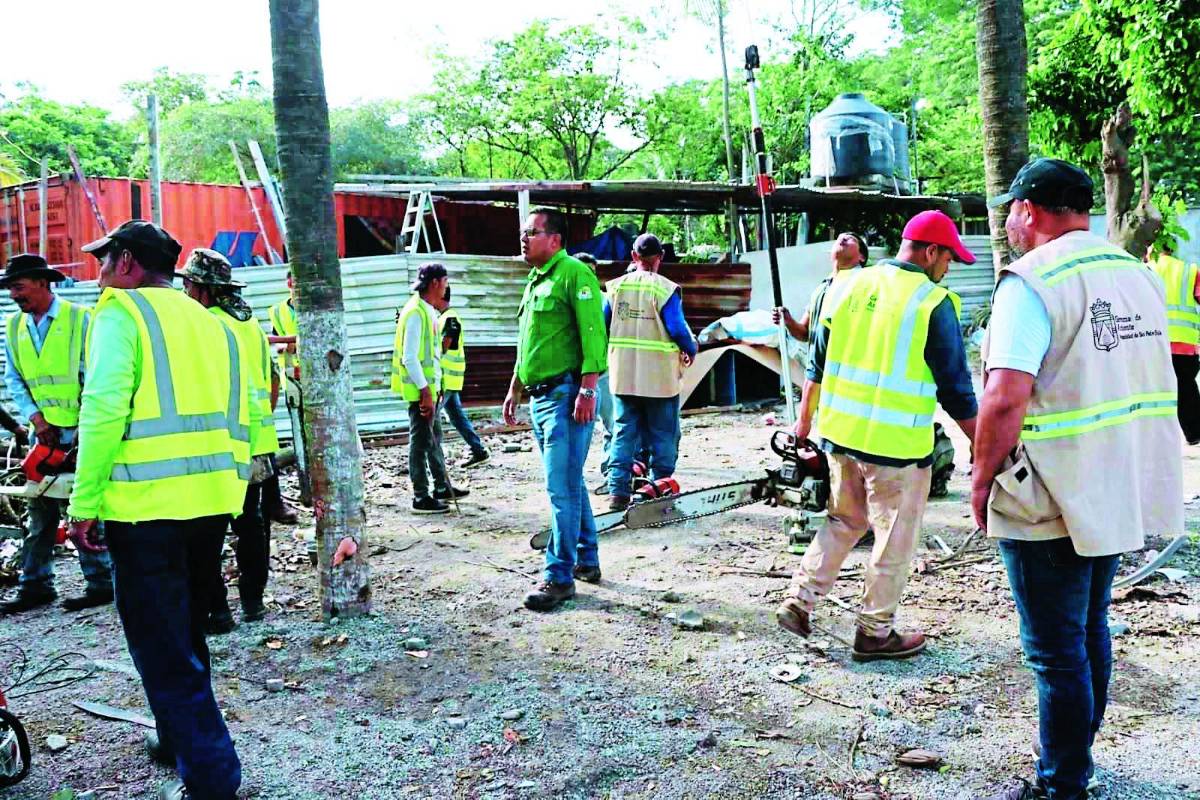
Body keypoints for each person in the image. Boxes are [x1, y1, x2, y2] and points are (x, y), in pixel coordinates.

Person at [974, 159, 1183, 800]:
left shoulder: (1032, 282)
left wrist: (981, 483)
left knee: (1055, 652)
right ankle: (1077, 756)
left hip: (1049, 495)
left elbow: (1005, 397)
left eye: (1011, 210)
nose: (1007, 222)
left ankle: (1062, 783)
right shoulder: (1136, 275)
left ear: (1029, 211)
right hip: (1117, 484)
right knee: (1089, 625)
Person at [66, 219, 249, 800]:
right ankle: (176, 739)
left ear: (126, 263)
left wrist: (84, 502)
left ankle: (212, 780)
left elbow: (102, 412)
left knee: (163, 647)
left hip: (145, 508)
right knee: (184, 632)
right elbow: (235, 413)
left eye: (102, 261)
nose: (97, 275)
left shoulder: (120, 313)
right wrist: (235, 491)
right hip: (210, 501)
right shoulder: (210, 322)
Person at [775, 210, 978, 661]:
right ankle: (874, 630)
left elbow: (817, 364)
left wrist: (805, 421)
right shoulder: (932, 302)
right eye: (949, 259)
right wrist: (983, 447)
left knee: (843, 520)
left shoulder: (848, 287)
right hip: (898, 448)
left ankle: (801, 599)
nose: (948, 270)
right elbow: (957, 391)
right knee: (894, 536)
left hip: (841, 437)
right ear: (930, 252)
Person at [503, 208, 607, 611]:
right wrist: (515, 387)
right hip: (541, 397)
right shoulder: (535, 281)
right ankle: (587, 559)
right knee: (569, 483)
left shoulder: (574, 275)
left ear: (555, 240)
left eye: (531, 232)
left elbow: (593, 334)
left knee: (560, 489)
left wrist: (588, 390)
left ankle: (559, 577)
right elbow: (528, 343)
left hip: (566, 397)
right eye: (524, 232)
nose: (524, 239)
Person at [0, 253, 113, 614]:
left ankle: (100, 583)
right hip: (44, 436)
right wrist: (36, 420)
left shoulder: (81, 320)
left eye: (19, 287)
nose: (15, 295)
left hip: (81, 431)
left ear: (43, 282)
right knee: (40, 512)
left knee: (83, 508)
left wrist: (84, 429)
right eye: (12, 289)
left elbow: (96, 376)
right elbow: (14, 380)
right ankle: (35, 585)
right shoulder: (14, 328)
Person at [179, 249, 279, 632]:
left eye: (188, 284)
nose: (185, 290)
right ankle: (253, 601)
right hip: (256, 440)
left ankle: (217, 610)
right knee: (251, 524)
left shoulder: (205, 325)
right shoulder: (248, 322)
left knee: (207, 530)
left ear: (203, 288)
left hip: (221, 441)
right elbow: (270, 379)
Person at [603, 233, 697, 509]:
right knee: (663, 434)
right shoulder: (665, 289)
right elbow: (678, 329)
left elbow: (604, 324)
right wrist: (691, 349)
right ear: (660, 258)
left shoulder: (615, 288)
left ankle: (617, 492)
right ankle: (659, 488)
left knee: (623, 433)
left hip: (623, 375)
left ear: (634, 256)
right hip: (659, 378)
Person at [391, 262, 468, 514]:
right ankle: (420, 496)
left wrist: (438, 386)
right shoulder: (415, 313)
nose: (446, 287)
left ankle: (441, 487)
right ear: (435, 283)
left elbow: (433, 356)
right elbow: (410, 358)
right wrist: (425, 392)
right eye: (445, 282)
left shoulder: (428, 311)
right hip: (420, 393)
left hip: (430, 391)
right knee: (421, 442)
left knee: (434, 440)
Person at [1145, 241, 1200, 444]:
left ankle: (1156, 440)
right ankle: (1194, 433)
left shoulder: (1143, 270)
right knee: (1186, 387)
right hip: (1184, 345)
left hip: (1152, 343)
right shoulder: (1188, 270)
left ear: (1154, 248)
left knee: (1152, 391)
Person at [773, 231, 869, 346]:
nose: (842, 239)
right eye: (839, 238)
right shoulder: (822, 288)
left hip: (844, 363)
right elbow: (805, 333)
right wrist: (788, 321)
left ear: (862, 257)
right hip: (817, 364)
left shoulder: (864, 283)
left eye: (850, 238)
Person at [435, 286, 490, 469]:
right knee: (456, 417)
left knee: (429, 419)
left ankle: (428, 461)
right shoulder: (444, 318)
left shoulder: (449, 319)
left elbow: (444, 346)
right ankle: (479, 451)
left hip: (447, 378)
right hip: (449, 378)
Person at [263, 271, 301, 524]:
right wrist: (287, 342)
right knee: (299, 435)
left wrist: (291, 341)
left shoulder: (312, 307)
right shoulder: (277, 310)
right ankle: (305, 482)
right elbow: (270, 339)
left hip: (314, 377)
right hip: (291, 377)